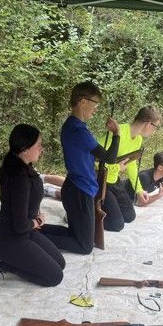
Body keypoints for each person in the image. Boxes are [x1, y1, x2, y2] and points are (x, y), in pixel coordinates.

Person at [0, 124, 65, 287]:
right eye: (38, 145)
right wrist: (38, 221)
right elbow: (19, 225)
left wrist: (35, 217)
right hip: (9, 238)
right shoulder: (19, 179)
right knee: (55, 277)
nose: (41, 149)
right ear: (25, 149)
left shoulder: (23, 166)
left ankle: (7, 259)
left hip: (25, 233)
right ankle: (2, 263)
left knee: (60, 263)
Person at [43, 81, 120, 255]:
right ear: (83, 101)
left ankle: (35, 231)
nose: (95, 109)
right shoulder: (78, 129)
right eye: (95, 104)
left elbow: (93, 155)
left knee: (77, 235)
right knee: (85, 246)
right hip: (79, 190)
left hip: (77, 187)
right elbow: (110, 158)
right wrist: (116, 134)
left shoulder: (73, 126)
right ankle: (31, 237)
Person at [101, 106, 162, 231]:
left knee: (129, 216)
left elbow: (131, 164)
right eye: (155, 127)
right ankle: (83, 215)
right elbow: (94, 158)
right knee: (116, 225)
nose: (154, 131)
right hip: (100, 181)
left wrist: (139, 189)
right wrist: (117, 168)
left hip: (114, 181)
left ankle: (101, 209)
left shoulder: (138, 139)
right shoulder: (118, 132)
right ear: (148, 124)